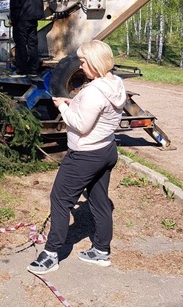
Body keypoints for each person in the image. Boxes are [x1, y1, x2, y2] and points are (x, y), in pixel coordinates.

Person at [27, 40, 127, 274]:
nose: (80, 67)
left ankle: (50, 255)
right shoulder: (115, 84)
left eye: (83, 61)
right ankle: (101, 251)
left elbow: (81, 125)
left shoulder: (94, 92)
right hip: (106, 150)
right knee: (100, 201)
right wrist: (74, 103)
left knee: (60, 200)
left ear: (95, 62)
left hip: (84, 156)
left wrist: (62, 107)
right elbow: (96, 113)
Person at [9, 0, 57, 77]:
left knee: (21, 45)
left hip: (21, 20)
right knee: (33, 45)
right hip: (33, 19)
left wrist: (12, 20)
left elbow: (14, 5)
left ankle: (21, 70)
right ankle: (33, 70)